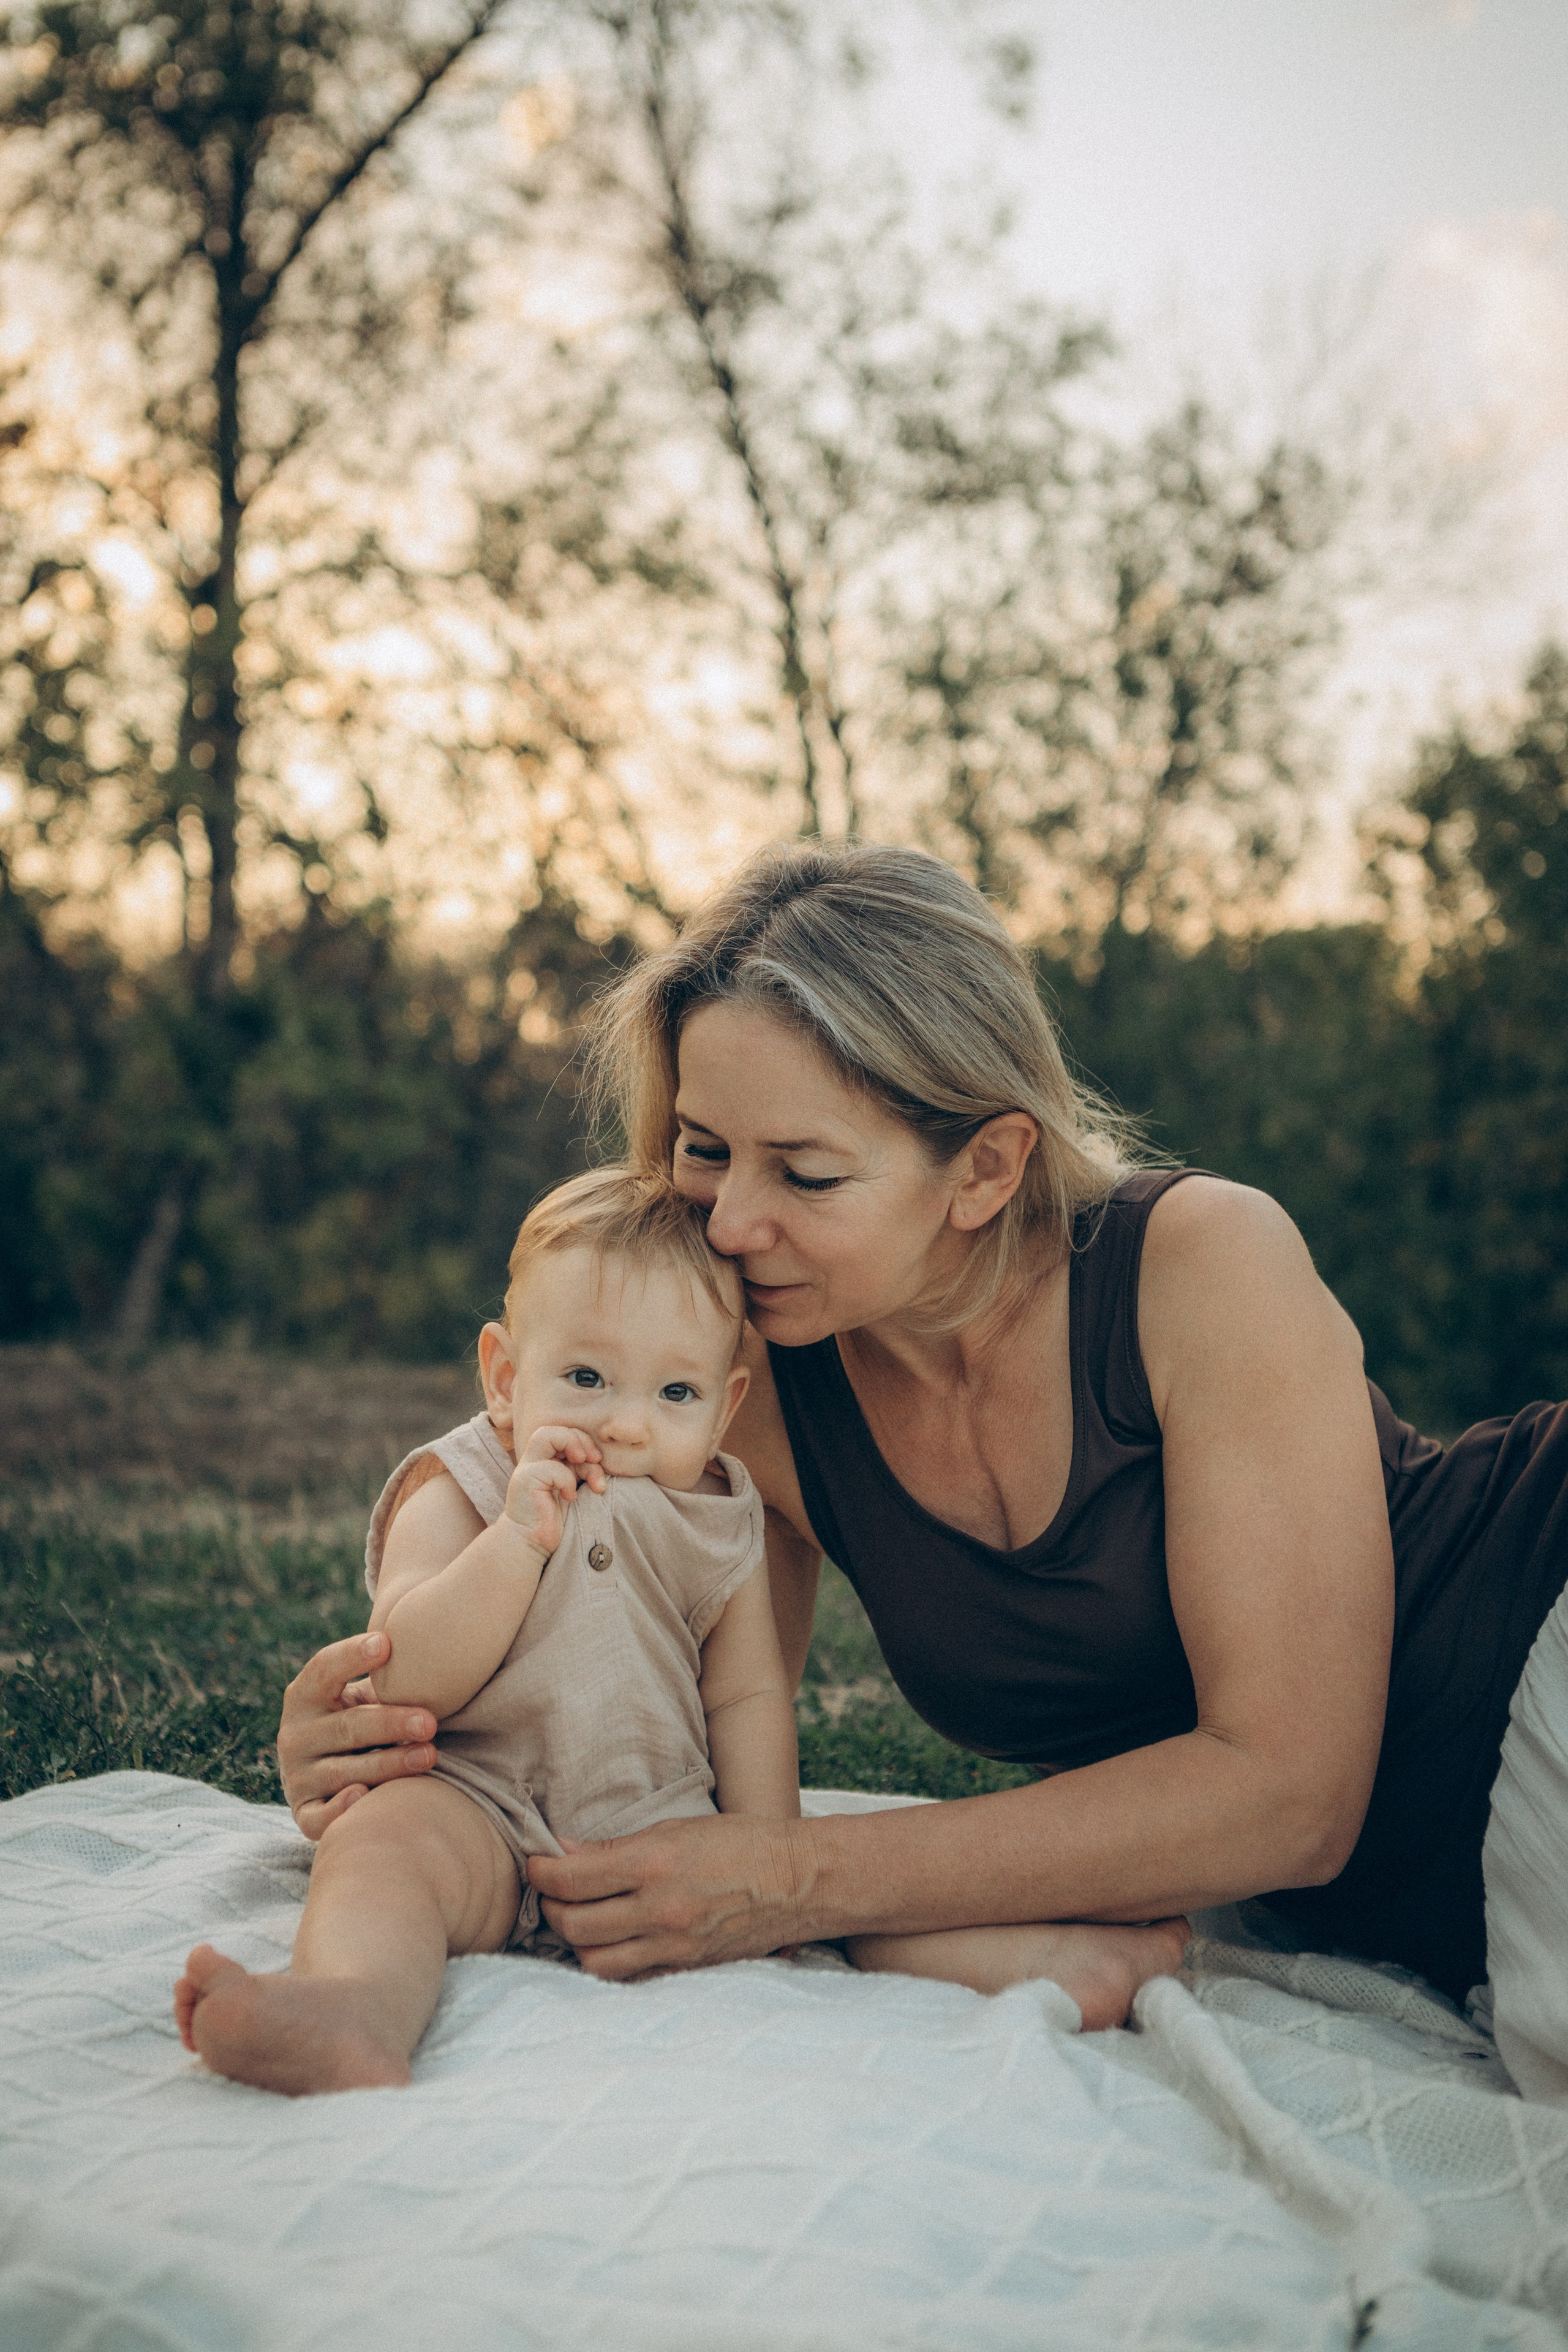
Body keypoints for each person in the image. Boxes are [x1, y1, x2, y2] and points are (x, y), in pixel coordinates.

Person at [274, 843, 1568, 2095]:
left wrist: (794, 1879)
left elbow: (1290, 1794)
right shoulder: (746, 1378)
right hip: (1412, 1917)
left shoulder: (1196, 1263)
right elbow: (639, 1679)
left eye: (807, 1170)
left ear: (986, 1167)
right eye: (706, 1147)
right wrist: (377, 1737)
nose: (727, 1222)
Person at [175, 1169, 798, 2094]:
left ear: (726, 1403)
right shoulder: (460, 1485)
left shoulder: (720, 1518)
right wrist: (514, 1542)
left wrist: (766, 1858)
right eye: (586, 1378)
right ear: (506, 1377)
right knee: (383, 1844)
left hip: (652, 1820)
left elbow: (747, 1694)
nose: (627, 1423)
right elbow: (409, 1675)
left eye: (676, 1393)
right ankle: (353, 2007)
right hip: (475, 1807)